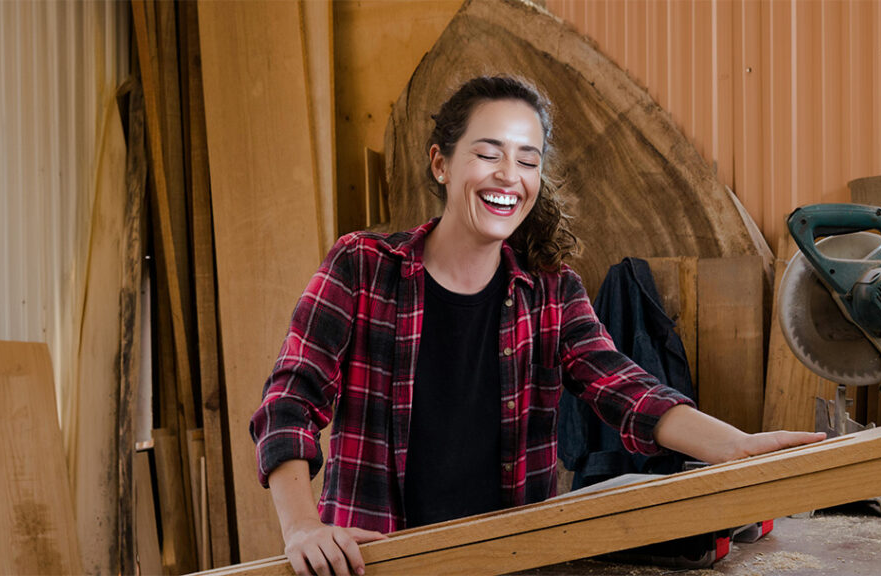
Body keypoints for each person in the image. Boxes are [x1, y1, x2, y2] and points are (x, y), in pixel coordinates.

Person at [250, 75, 824, 576]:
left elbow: (626, 390)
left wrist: (737, 445)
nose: (510, 175)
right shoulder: (362, 268)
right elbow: (289, 401)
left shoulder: (550, 292)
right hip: (380, 560)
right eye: (488, 153)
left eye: (528, 160)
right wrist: (302, 528)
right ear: (441, 163)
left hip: (510, 564)